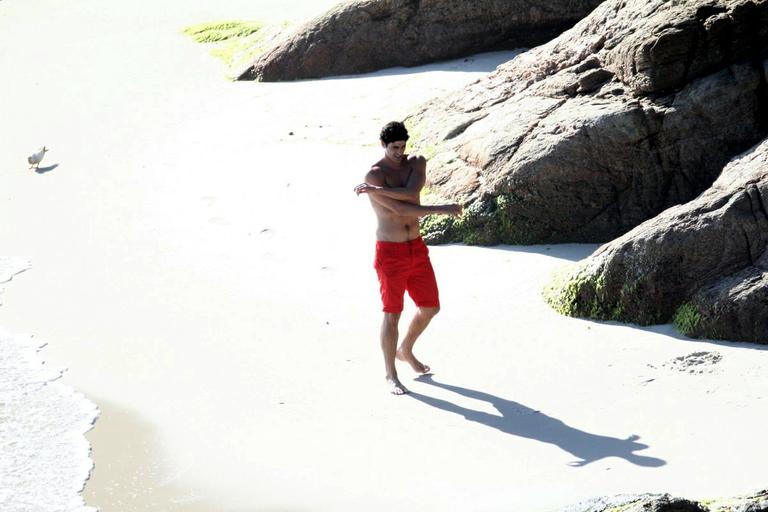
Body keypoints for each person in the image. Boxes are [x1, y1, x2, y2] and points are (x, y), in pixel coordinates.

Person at [354, 121, 462, 395]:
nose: (399, 152)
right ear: (383, 145)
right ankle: (391, 375)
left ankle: (405, 349)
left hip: (416, 248)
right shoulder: (375, 174)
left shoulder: (415, 163)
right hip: (390, 253)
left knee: (430, 307)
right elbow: (402, 211)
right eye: (394, 148)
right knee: (392, 315)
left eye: (402, 146)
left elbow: (412, 194)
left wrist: (376, 192)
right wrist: (442, 209)